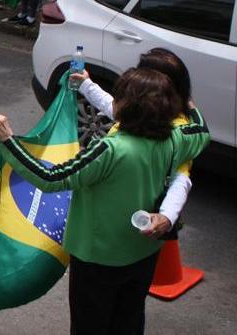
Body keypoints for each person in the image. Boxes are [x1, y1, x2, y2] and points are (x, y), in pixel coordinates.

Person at [0, 68, 209, 334]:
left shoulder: (110, 150)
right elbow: (201, 130)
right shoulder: (176, 138)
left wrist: (8, 141)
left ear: (127, 106)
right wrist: (188, 100)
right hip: (144, 254)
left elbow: (50, 177)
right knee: (129, 320)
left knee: (90, 325)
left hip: (98, 261)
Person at [72, 48, 196, 240]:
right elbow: (114, 107)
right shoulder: (150, 114)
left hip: (126, 231)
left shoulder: (176, 131)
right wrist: (86, 85)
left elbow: (180, 179)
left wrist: (166, 217)